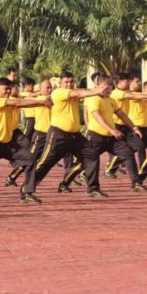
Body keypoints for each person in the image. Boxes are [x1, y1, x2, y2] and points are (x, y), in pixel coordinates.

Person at [25, 71, 109, 199]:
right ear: (60, 83)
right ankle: (26, 191)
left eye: (71, 82)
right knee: (44, 163)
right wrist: (97, 91)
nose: (69, 84)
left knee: (92, 155)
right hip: (58, 135)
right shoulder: (58, 92)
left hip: (75, 136)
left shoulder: (73, 91)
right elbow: (80, 93)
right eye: (66, 82)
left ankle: (93, 188)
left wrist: (97, 88)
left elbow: (83, 91)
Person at [84, 73, 147, 192]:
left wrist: (134, 128)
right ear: (98, 84)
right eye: (106, 85)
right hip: (96, 137)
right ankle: (71, 183)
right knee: (89, 160)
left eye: (110, 85)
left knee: (128, 153)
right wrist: (112, 129)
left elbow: (122, 115)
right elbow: (97, 116)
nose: (109, 88)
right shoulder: (93, 99)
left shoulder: (110, 100)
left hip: (111, 138)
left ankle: (136, 183)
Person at [103, 73, 147, 178]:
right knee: (121, 150)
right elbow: (133, 96)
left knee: (138, 146)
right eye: (127, 81)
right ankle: (107, 170)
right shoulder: (116, 93)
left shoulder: (126, 91)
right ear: (119, 83)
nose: (129, 83)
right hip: (116, 126)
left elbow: (137, 96)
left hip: (126, 126)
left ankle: (140, 174)